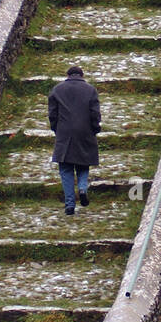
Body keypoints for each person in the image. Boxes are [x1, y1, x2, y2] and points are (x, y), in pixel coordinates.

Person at [48, 65, 101, 216]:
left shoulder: (57, 89)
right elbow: (95, 113)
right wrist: (95, 128)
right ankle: (83, 188)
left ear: (68, 75)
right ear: (81, 75)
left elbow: (52, 113)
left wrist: (56, 129)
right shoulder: (90, 90)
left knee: (66, 169)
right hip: (85, 132)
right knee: (83, 164)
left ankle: (69, 205)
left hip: (64, 133)